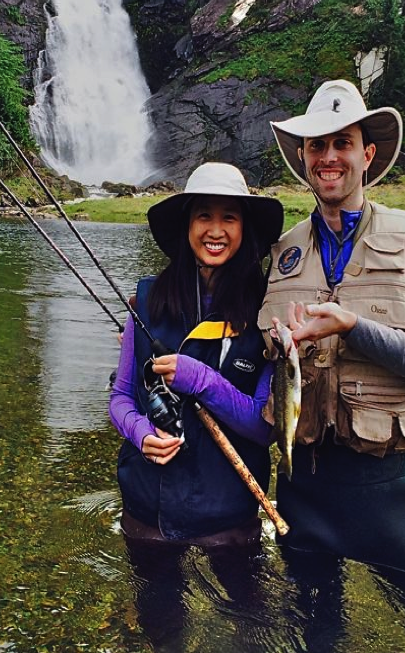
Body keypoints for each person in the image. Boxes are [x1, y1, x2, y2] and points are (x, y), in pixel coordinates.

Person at [259, 78, 405, 575]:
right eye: (317, 145)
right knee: (312, 639)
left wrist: (351, 325)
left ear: (367, 155)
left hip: (393, 488)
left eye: (342, 143)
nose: (329, 157)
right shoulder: (281, 252)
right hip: (304, 484)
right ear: (304, 157)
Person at [109, 161, 284, 548]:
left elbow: (264, 428)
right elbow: (121, 397)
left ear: (245, 229)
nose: (215, 230)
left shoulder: (267, 312)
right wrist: (140, 434)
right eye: (204, 215)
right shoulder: (146, 301)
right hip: (147, 513)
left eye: (229, 218)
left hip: (229, 520)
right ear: (188, 226)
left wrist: (201, 379)